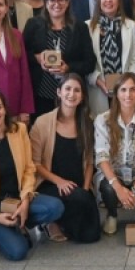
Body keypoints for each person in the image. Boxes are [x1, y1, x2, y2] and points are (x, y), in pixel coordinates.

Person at [0, 90, 64, 260]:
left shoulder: (19, 130)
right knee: (18, 252)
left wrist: (25, 201)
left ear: (5, 109)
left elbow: (29, 169)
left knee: (55, 207)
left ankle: (18, 221)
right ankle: (3, 228)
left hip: (18, 199)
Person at [30, 74, 101, 244]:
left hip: (78, 188)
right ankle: (51, 221)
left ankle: (63, 220)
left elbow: (90, 162)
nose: (71, 94)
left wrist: (85, 190)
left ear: (82, 96)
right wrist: (59, 181)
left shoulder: (88, 123)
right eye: (67, 89)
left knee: (91, 236)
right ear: (59, 92)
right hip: (51, 185)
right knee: (76, 207)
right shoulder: (42, 122)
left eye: (77, 90)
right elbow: (35, 163)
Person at [94, 74, 135, 234]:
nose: (128, 95)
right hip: (113, 174)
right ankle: (112, 215)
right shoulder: (102, 120)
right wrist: (118, 187)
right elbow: (102, 156)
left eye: (133, 90)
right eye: (123, 90)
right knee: (108, 189)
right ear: (116, 93)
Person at [24, 0, 98, 122]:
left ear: (67, 2)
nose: (56, 4)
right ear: (46, 3)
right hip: (40, 95)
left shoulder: (80, 27)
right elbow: (22, 56)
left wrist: (68, 68)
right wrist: (37, 58)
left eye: (61, 0)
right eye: (52, 0)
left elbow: (90, 62)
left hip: (70, 95)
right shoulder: (33, 25)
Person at [84, 0, 135, 119]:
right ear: (99, 1)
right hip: (98, 88)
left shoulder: (133, 27)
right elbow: (85, 62)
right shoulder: (86, 27)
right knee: (101, 125)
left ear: (119, 1)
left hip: (126, 91)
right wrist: (98, 81)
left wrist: (125, 85)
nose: (109, 0)